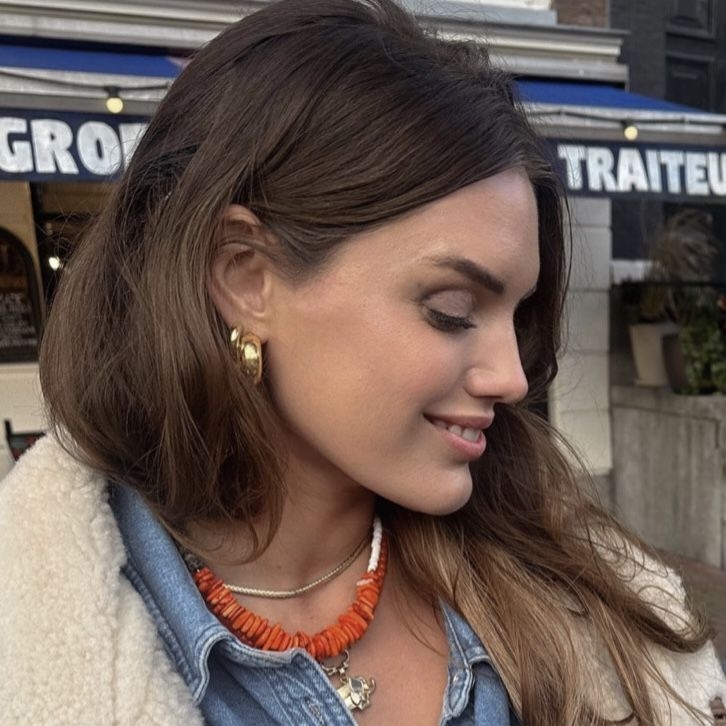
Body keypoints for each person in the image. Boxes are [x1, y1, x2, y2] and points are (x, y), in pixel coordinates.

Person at [1, 0, 725, 723]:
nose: (512, 378)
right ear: (246, 277)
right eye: (452, 308)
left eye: (518, 315)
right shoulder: (37, 637)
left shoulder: (581, 595)